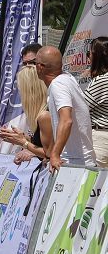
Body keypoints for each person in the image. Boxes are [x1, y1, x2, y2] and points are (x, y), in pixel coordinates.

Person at [35, 46, 95, 171]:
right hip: (79, 161)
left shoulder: (58, 85)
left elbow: (66, 120)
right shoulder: (68, 78)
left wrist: (55, 155)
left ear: (40, 67)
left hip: (74, 163)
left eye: (34, 63)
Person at [0, 65, 53, 163]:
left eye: (21, 89)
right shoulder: (42, 113)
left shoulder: (44, 115)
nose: (20, 93)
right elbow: (42, 143)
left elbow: (49, 154)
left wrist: (23, 142)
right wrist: (21, 137)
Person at [81, 36, 108, 166]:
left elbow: (80, 107)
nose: (88, 57)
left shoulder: (101, 81)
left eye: (89, 53)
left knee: (90, 182)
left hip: (101, 139)